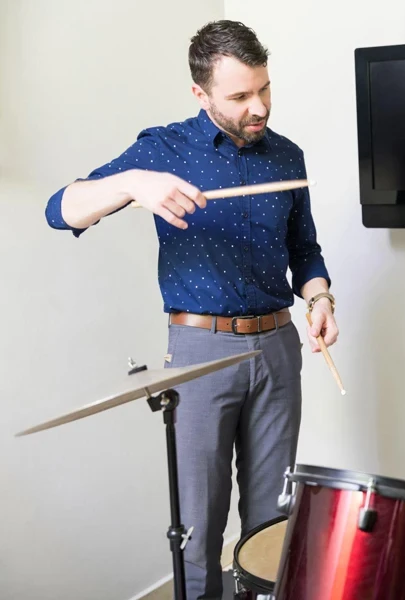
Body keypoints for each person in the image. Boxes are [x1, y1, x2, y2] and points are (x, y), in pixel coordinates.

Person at [43, 20, 337, 599]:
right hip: (201, 351)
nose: (259, 107)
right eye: (240, 96)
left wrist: (321, 296)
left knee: (273, 522)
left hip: (278, 347)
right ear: (200, 95)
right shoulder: (163, 150)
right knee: (199, 527)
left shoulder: (287, 156)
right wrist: (133, 183)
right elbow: (61, 209)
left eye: (265, 89)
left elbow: (305, 251)